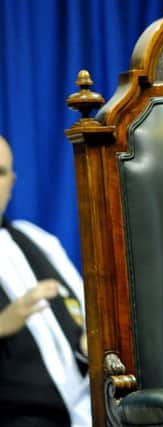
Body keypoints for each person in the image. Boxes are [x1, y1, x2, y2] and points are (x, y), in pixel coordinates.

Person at [0, 135, 91, 427]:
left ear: (12, 182)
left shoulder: (40, 241)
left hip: (85, 412)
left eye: (0, 173)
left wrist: (92, 342)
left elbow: (87, 317)